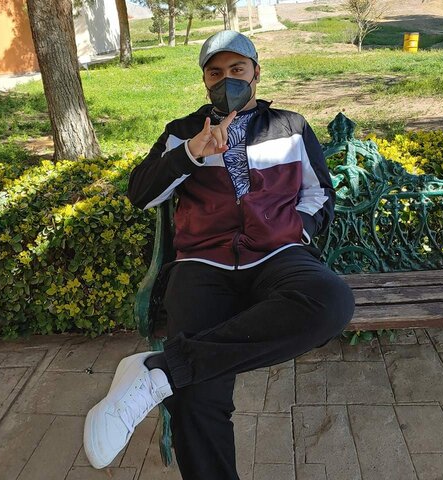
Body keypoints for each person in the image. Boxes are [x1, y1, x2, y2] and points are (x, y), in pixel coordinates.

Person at [83, 30, 355, 479]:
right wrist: (191, 153)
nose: (226, 79)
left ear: (256, 73)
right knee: (196, 398)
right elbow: (141, 194)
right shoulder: (182, 132)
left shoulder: (291, 126)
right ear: (205, 80)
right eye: (215, 72)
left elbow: (319, 192)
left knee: (331, 302)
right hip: (202, 265)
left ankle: (159, 372)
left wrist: (297, 230)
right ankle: (175, 377)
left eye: (237, 69)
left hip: (277, 255)